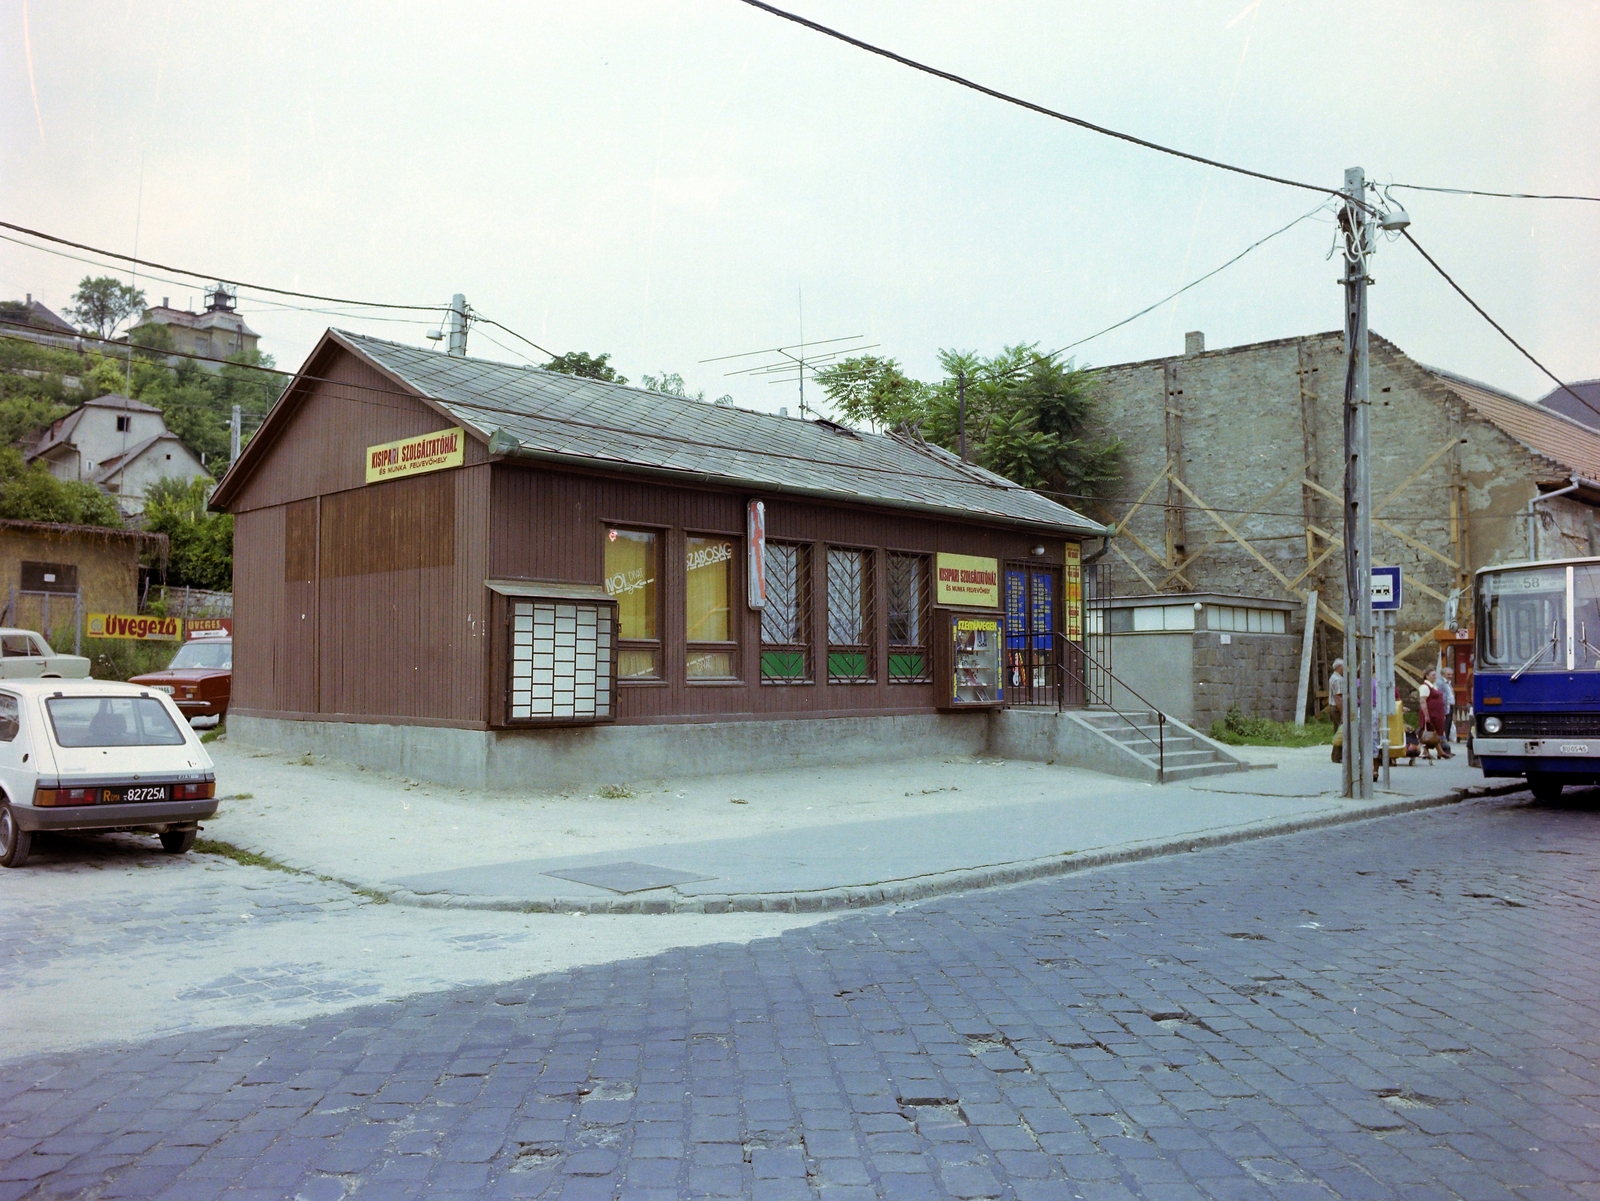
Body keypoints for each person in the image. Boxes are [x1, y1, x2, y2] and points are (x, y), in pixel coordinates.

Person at [1419, 668, 1452, 759]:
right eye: (1433, 675)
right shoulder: (1425, 687)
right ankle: (1436, 752)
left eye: (1435, 675)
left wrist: (1443, 714)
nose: (1435, 677)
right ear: (1427, 676)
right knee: (1430, 732)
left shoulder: (1434, 686)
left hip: (1438, 713)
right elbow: (1423, 701)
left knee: (1436, 732)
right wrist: (1426, 715)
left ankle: (1435, 752)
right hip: (1431, 713)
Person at [1328, 659, 1346, 724]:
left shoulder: (1333, 676)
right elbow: (1338, 697)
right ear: (1339, 667)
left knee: (1336, 726)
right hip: (1337, 707)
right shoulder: (1338, 680)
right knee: (1340, 727)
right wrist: (1342, 713)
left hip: (1333, 705)